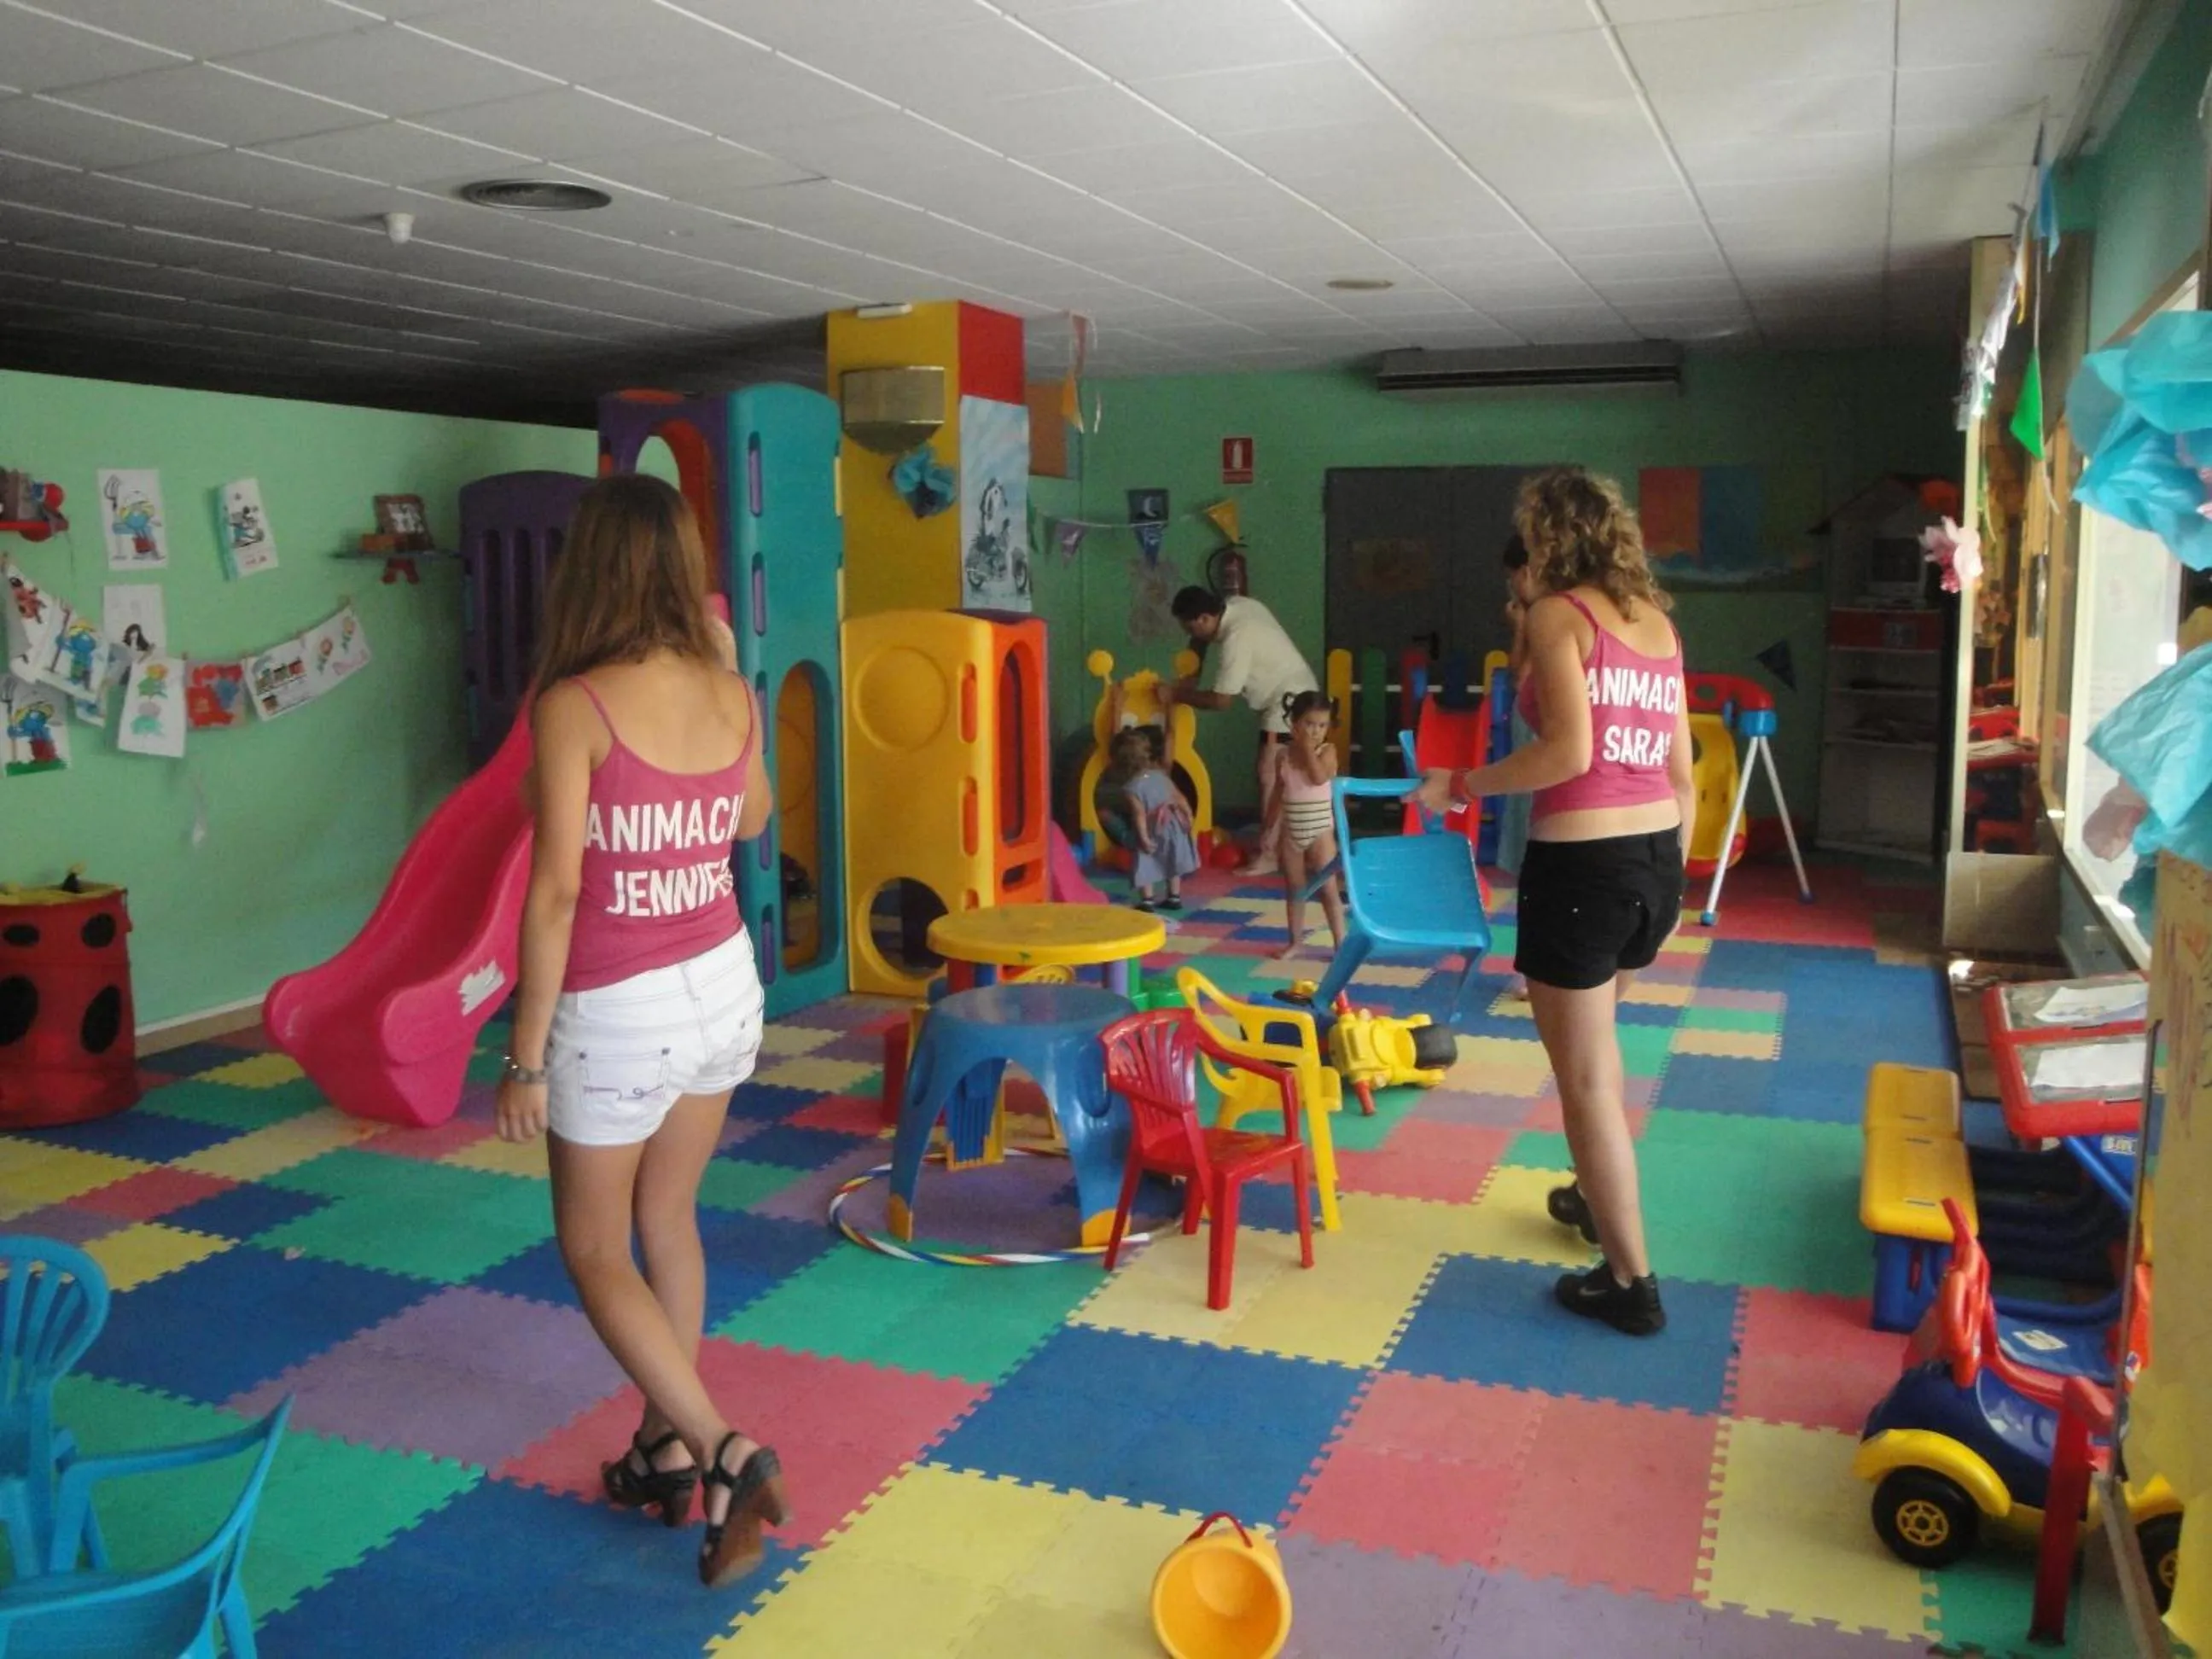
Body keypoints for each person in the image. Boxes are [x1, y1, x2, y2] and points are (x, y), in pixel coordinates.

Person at [493, 474, 791, 1586]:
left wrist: (524, 1056)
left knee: (592, 1247)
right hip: (721, 986)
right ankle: (666, 1446)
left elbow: (557, 892)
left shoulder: (574, 702)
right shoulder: (727, 689)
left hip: (616, 1009)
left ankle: (723, 1450)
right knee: (669, 1220)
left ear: (590, 569)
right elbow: (753, 817)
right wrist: (724, 674)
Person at [1417, 468, 1694, 1336]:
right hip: (1653, 860)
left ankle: (1631, 1283)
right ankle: (1592, 1195)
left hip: (1584, 870)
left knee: (1585, 1084)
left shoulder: (1557, 616)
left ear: (1547, 537)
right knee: (1601, 1062)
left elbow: (1568, 753)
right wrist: (1672, 882)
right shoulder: (1655, 625)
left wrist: (1463, 782)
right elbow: (1682, 771)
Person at [1164, 586, 1320, 877]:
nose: (1191, 634)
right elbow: (1198, 641)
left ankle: (1271, 854)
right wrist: (1191, 677)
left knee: (1271, 776)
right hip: (1294, 693)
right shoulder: (1235, 604)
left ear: (1205, 618)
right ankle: (1289, 846)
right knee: (1280, 775)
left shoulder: (1237, 637)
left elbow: (1222, 701)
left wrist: (1176, 694)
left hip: (1288, 701)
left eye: (1191, 626)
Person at [1497, 535, 1539, 998]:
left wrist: (1522, 627)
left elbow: (1520, 675)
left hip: (1539, 758)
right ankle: (1535, 968)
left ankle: (1536, 971)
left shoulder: (1547, 616)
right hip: (1534, 752)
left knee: (1537, 867)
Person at [1274, 690, 1345, 957]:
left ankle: (1340, 943)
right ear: (1294, 723)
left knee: (1328, 887)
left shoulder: (1327, 751)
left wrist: (1306, 748)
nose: (1315, 731)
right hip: (1291, 829)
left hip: (1320, 831)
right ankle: (1295, 941)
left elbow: (1317, 778)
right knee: (1294, 887)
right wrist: (1269, 827)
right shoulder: (1283, 755)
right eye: (1309, 724)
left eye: (1322, 725)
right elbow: (1278, 792)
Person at [1111, 725, 1200, 911]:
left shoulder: (1132, 788)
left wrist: (1143, 838)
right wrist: (1188, 816)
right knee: (1172, 860)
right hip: (1174, 826)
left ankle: (1147, 901)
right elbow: (1179, 797)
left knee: (1145, 860)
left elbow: (1139, 815)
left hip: (1153, 828)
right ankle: (1174, 897)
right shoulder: (1160, 776)